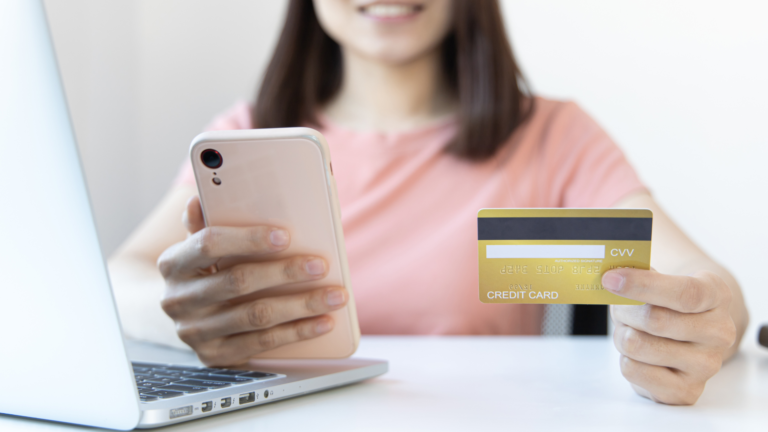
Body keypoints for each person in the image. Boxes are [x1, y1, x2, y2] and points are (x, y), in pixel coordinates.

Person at [108, 0, 748, 406]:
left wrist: (704, 319)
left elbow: (703, 281)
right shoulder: (243, 136)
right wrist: (187, 319)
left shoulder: (553, 134)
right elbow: (120, 276)